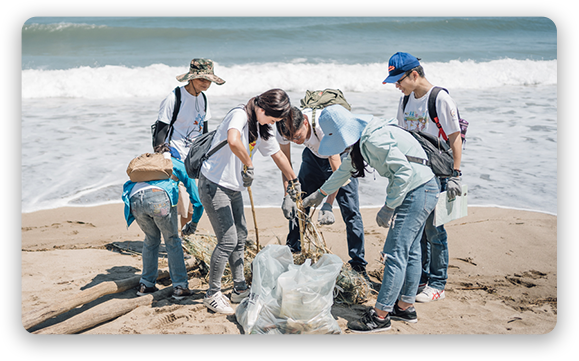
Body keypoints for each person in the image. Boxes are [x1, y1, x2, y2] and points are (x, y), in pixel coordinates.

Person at [302, 105, 439, 333]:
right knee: (411, 250)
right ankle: (405, 307)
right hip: (423, 188)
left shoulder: (373, 140)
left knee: (395, 252)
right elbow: (343, 171)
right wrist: (321, 195)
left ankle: (381, 315)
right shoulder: (366, 137)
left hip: (417, 191)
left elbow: (403, 173)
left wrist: (389, 206)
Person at [198, 88, 301, 315]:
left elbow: (278, 155)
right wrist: (249, 164)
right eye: (272, 118)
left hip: (233, 186)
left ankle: (239, 288)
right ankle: (212, 294)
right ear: (261, 109)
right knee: (227, 240)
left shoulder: (263, 125)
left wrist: (294, 181)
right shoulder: (240, 115)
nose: (273, 123)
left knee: (241, 236)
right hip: (214, 184)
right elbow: (233, 140)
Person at [383, 52, 462, 303]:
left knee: (435, 230)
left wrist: (456, 175)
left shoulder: (439, 98)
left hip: (439, 173)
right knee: (418, 230)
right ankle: (423, 279)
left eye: (399, 79)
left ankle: (438, 284)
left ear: (414, 75)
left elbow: (455, 137)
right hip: (415, 175)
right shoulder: (405, 101)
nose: (397, 85)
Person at [276, 106, 368, 275]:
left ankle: (358, 264)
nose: (296, 142)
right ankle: (294, 250)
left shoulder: (324, 126)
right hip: (314, 157)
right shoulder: (283, 129)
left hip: (342, 156)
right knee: (300, 202)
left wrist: (328, 205)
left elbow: (338, 173)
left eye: (298, 137)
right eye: (290, 139)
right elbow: (285, 163)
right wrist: (287, 194)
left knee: (351, 211)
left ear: (305, 121)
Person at [122, 143, 203, 300]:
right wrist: (194, 222)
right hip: (159, 199)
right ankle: (180, 286)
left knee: (151, 240)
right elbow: (197, 200)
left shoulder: (146, 166)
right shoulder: (175, 163)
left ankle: (146, 284)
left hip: (134, 200)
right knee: (172, 240)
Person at [153, 58, 225, 231]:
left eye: (209, 80)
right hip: (174, 159)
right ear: (191, 78)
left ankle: (185, 241)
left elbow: (205, 134)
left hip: (194, 161)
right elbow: (159, 134)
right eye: (202, 79)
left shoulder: (203, 100)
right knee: (174, 204)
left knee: (193, 205)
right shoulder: (174, 98)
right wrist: (165, 160)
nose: (206, 83)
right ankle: (171, 239)